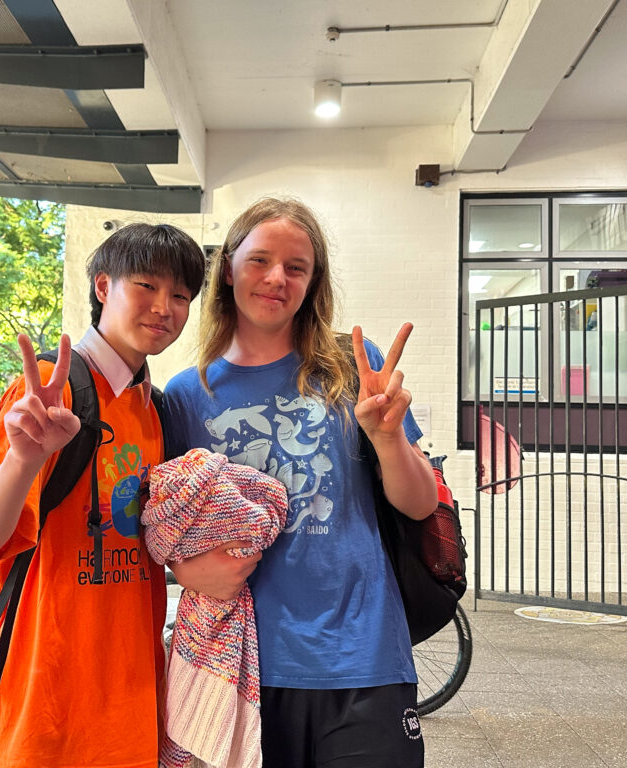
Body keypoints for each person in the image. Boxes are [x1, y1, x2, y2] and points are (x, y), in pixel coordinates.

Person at [161, 197, 438, 768]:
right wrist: (181, 568)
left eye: (296, 266)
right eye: (260, 259)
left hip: (362, 652)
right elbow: (162, 524)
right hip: (241, 664)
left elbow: (420, 504)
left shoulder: (353, 368)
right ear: (229, 267)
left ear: (313, 282)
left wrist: (387, 438)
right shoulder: (187, 395)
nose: (276, 278)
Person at [0, 223, 206, 768]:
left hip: (133, 705)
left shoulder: (154, 409)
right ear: (102, 286)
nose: (165, 307)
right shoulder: (50, 388)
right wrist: (24, 458)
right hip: (44, 707)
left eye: (181, 295)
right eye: (146, 285)